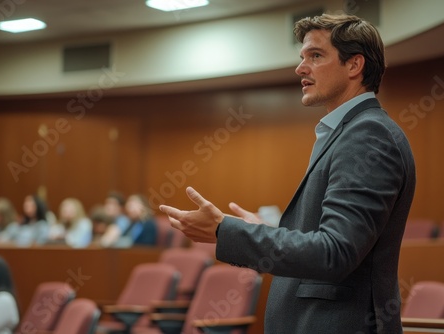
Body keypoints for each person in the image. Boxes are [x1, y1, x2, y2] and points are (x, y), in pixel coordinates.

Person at [159, 13, 416, 334]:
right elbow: (324, 238)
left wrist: (226, 232)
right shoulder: (348, 133)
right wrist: (266, 229)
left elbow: (335, 252)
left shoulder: (368, 136)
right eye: (302, 57)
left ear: (354, 66)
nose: (300, 68)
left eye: (316, 56)